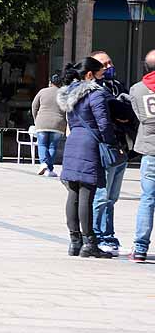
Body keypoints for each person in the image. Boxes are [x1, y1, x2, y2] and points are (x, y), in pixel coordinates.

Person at [56, 58, 118, 259]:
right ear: (89, 75)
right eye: (100, 73)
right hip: (89, 145)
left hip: (73, 143)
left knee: (73, 192)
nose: (103, 76)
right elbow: (104, 124)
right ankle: (89, 242)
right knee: (86, 195)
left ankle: (75, 242)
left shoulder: (69, 94)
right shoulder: (95, 94)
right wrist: (111, 143)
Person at [90, 50, 136, 255]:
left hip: (121, 147)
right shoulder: (92, 89)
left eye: (110, 62)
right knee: (102, 195)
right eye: (104, 64)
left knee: (112, 197)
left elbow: (128, 113)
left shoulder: (117, 86)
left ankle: (108, 235)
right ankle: (98, 236)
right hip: (104, 148)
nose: (108, 67)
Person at [128, 50, 155, 262]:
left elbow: (138, 116)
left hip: (150, 149)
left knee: (147, 199)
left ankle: (140, 248)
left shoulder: (137, 90)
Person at [32, 73, 67, 177]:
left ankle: (43, 163)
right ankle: (49, 169)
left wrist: (36, 119)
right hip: (58, 123)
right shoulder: (64, 94)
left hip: (42, 122)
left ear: (50, 82)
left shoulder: (42, 92)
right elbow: (67, 109)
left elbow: (34, 106)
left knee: (42, 144)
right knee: (52, 146)